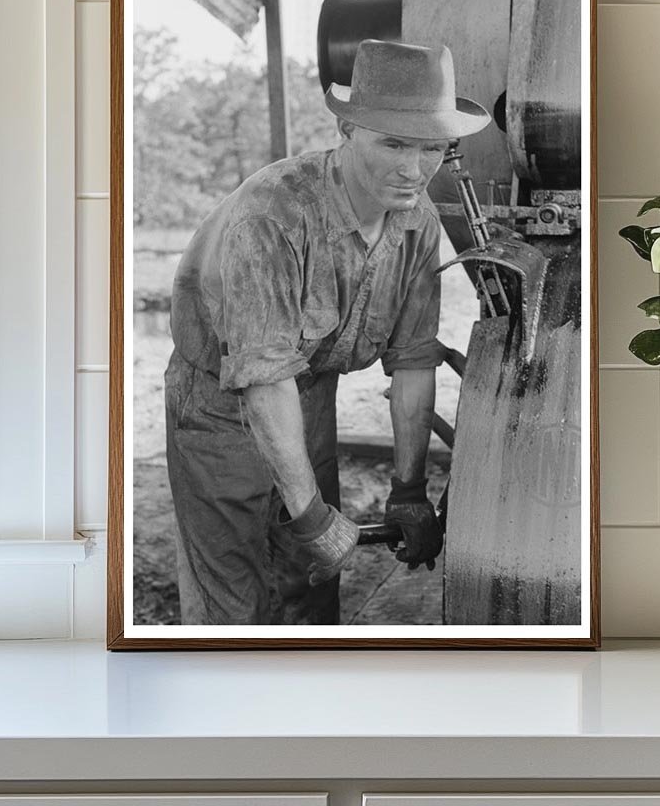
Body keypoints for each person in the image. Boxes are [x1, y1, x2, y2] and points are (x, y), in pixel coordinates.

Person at [164, 39, 490, 625]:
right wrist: (312, 514)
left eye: (432, 149)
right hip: (218, 405)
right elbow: (263, 381)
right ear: (347, 128)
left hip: (310, 394)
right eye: (393, 143)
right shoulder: (276, 215)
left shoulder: (417, 221)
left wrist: (409, 491)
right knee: (232, 599)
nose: (413, 170)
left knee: (310, 585)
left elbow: (413, 361)